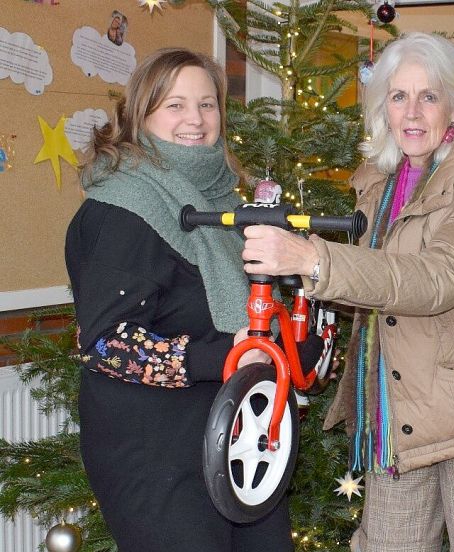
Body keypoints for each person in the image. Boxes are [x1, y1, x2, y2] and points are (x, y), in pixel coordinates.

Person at [239, 32, 454, 552]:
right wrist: (301, 279)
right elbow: (374, 285)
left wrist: (317, 259)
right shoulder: (380, 182)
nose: (412, 111)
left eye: (429, 96)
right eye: (399, 95)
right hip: (398, 408)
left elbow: (438, 278)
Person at [66, 48, 293, 551]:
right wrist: (227, 355)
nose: (195, 119)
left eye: (207, 105)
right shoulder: (120, 211)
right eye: (175, 105)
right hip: (155, 455)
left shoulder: (229, 203)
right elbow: (105, 345)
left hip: (239, 443)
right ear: (140, 115)